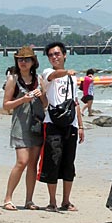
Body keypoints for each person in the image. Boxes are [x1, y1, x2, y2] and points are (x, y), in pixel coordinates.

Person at [38, 42, 84, 212]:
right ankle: (52, 201)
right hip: (53, 123)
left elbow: (76, 103)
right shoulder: (48, 73)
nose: (54, 57)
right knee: (53, 160)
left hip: (70, 124)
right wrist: (66, 72)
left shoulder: (72, 78)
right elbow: (54, 76)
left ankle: (66, 200)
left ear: (64, 55)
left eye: (57, 54)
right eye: (51, 55)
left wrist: (80, 126)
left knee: (69, 162)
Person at [2, 46, 45, 211]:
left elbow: (46, 104)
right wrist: (23, 100)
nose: (23, 62)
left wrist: (41, 96)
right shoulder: (13, 79)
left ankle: (29, 200)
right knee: (22, 161)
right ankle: (8, 198)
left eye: (27, 59)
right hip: (20, 124)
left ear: (33, 61)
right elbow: (5, 105)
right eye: (20, 59)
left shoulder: (38, 79)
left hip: (36, 124)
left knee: (33, 163)